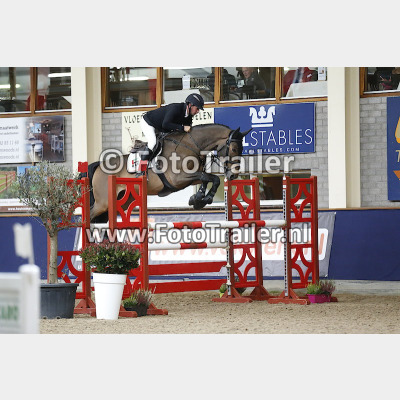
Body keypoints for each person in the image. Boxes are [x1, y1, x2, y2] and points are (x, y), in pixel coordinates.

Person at [138, 93, 205, 169]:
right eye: (197, 108)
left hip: (160, 127)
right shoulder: (176, 108)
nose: (198, 111)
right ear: (190, 105)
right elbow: (166, 124)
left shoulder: (188, 117)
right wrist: (182, 128)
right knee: (152, 143)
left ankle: (155, 163)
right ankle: (141, 169)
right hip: (148, 122)